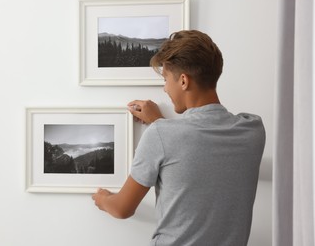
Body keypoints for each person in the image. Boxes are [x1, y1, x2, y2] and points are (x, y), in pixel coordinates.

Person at [92, 30, 266, 246]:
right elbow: (199, 145)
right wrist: (160, 123)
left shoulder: (160, 135)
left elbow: (122, 209)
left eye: (165, 79)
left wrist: (102, 198)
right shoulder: (252, 130)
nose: (165, 88)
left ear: (183, 81)